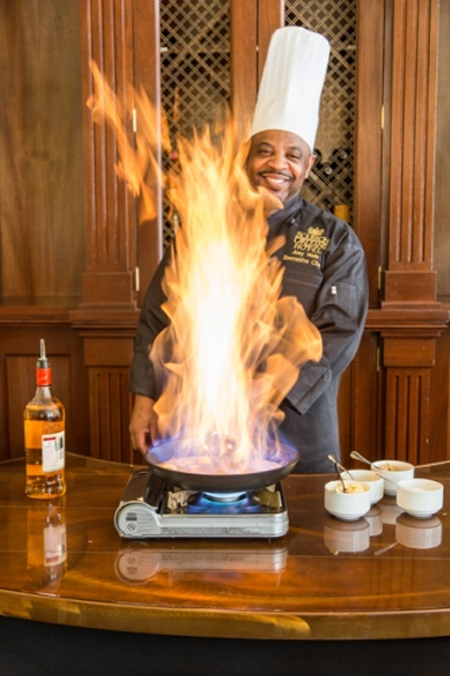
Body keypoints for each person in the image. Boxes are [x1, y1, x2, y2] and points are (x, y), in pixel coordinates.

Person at [129, 26, 368, 472]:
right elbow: (156, 316)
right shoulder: (207, 228)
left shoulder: (336, 240)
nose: (278, 164)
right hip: (200, 430)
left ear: (309, 164)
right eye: (266, 150)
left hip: (298, 435)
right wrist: (144, 398)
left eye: (293, 154)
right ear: (246, 154)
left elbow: (338, 335)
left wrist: (270, 387)